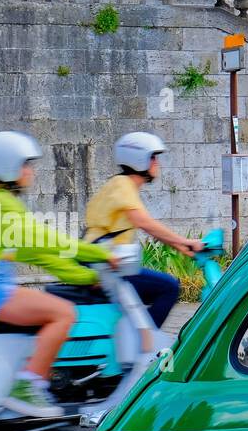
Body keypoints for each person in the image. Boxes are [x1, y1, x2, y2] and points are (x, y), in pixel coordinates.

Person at [0, 131, 117, 418]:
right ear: (8, 165)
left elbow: (34, 254)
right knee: (64, 313)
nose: (31, 171)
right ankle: (28, 385)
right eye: (26, 164)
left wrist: (85, 276)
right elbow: (41, 239)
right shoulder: (1, 204)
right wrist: (99, 254)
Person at [83, 132, 204, 330]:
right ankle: (143, 344)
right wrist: (184, 242)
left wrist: (182, 247)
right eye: (153, 157)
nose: (158, 163)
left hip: (105, 263)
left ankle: (136, 337)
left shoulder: (118, 184)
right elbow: (145, 223)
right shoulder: (123, 185)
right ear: (140, 159)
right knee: (169, 286)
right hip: (107, 266)